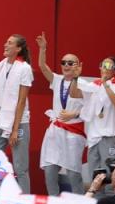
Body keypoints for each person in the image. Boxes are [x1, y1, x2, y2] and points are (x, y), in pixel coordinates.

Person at [35, 32, 85, 195]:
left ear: (78, 65)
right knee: (49, 171)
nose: (66, 65)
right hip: (55, 131)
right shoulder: (57, 80)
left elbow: (89, 109)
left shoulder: (84, 84)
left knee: (73, 174)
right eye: (64, 62)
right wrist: (43, 49)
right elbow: (43, 67)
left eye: (71, 63)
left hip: (73, 133)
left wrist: (74, 115)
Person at [0, 34, 33, 192]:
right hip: (0, 119)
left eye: (10, 43)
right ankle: (5, 198)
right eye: (6, 42)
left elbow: (21, 101)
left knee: (20, 167)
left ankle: (24, 203)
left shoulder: (25, 68)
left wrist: (14, 130)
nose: (5, 45)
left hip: (19, 122)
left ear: (18, 49)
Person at [80, 55, 115, 189]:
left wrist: (106, 85)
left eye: (109, 66)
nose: (105, 68)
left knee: (110, 177)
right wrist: (74, 77)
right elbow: (75, 93)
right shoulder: (94, 85)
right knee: (95, 178)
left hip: (111, 136)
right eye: (103, 65)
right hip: (94, 138)